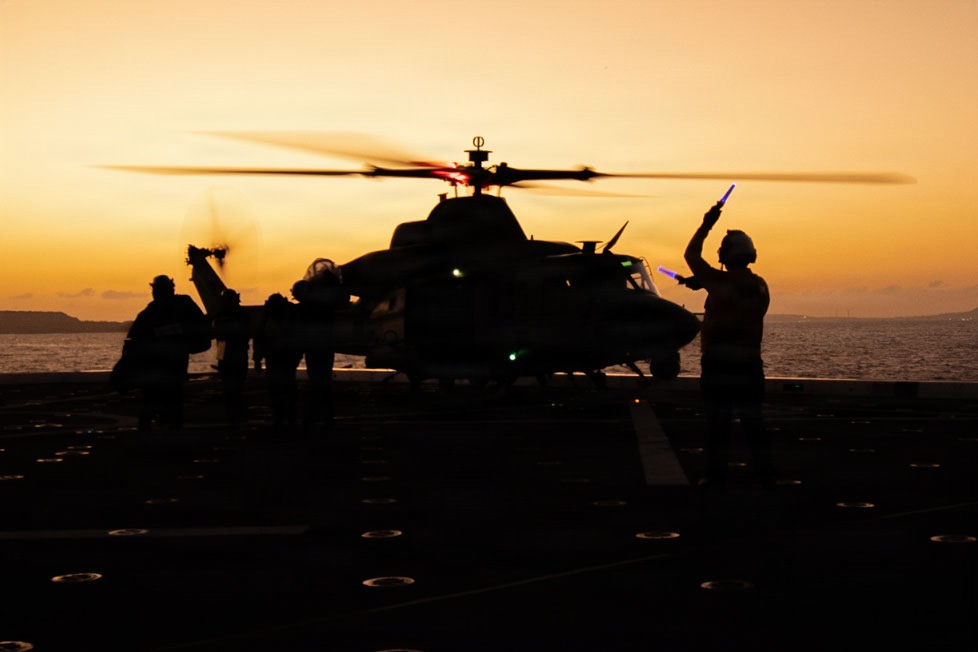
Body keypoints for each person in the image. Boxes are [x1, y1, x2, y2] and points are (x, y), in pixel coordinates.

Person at [682, 200, 776, 490]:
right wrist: (707, 282)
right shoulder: (761, 285)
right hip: (750, 364)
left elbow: (691, 253)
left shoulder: (719, 281)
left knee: (718, 427)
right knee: (754, 425)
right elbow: (733, 291)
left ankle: (716, 480)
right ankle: (766, 479)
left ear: (725, 254)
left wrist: (707, 222)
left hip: (720, 365)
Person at [124, 275, 211, 431]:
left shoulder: (151, 312)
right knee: (171, 402)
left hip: (162, 367)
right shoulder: (177, 306)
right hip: (170, 366)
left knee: (156, 402)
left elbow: (133, 341)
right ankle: (168, 431)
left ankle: (154, 432)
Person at [291, 259, 349, 434]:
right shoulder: (325, 306)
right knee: (322, 383)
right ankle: (324, 417)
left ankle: (315, 417)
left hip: (315, 348)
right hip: (323, 347)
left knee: (317, 383)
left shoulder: (309, 308)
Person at [252, 293, 303, 432]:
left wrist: (257, 360)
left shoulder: (269, 320)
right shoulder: (288, 319)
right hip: (280, 359)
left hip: (280, 359)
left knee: (280, 390)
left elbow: (259, 340)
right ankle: (285, 419)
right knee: (284, 389)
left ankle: (282, 419)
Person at [212, 288, 252, 434]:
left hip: (232, 357)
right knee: (236, 390)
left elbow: (219, 337)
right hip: (236, 357)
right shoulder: (242, 316)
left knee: (232, 391)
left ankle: (235, 419)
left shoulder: (222, 317)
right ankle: (237, 419)